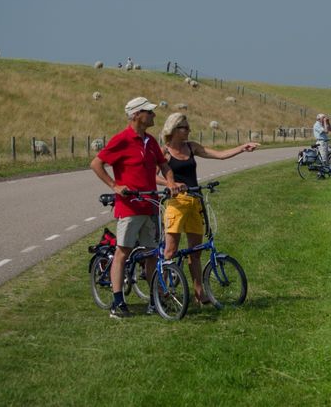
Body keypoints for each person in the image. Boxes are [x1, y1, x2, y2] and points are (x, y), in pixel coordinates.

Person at [91, 96, 180, 318]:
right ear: (135, 115)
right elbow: (96, 163)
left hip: (149, 206)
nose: (153, 115)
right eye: (148, 112)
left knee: (151, 255)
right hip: (129, 207)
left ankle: (153, 299)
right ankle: (117, 302)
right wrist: (115, 185)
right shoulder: (122, 140)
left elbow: (165, 166)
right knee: (123, 251)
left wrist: (170, 183)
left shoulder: (150, 141)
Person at [158, 113, 259, 304]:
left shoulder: (191, 147)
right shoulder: (165, 152)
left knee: (195, 252)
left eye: (188, 128)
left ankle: (199, 293)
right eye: (185, 128)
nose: (189, 130)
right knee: (170, 251)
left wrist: (242, 148)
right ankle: (162, 290)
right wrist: (171, 183)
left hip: (195, 202)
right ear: (174, 129)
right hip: (176, 204)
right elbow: (153, 176)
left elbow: (219, 155)